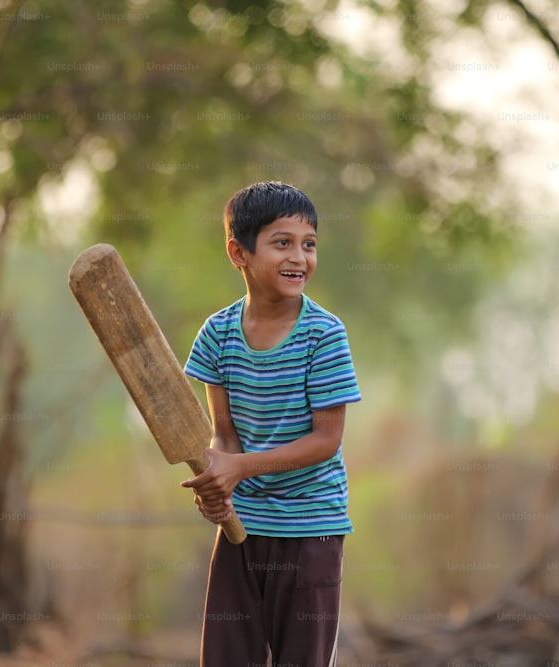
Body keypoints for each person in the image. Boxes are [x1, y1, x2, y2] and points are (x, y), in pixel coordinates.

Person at [180, 181, 362, 666]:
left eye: (309, 244)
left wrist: (240, 468)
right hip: (242, 529)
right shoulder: (217, 334)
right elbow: (225, 434)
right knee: (226, 658)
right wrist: (218, 480)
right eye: (282, 243)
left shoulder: (323, 335)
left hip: (311, 531)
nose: (299, 258)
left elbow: (326, 440)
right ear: (238, 252)